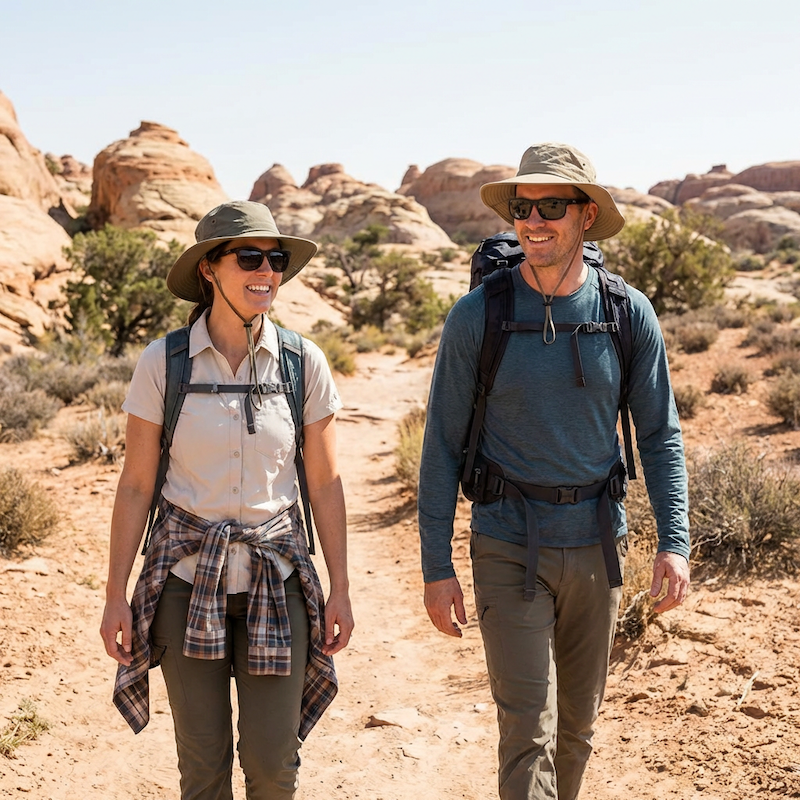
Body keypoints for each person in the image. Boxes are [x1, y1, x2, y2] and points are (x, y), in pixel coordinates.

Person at [418, 143, 690, 800]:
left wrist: (676, 541)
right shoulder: (477, 316)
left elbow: (659, 434)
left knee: (578, 729)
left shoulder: (627, 315)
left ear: (586, 215)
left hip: (600, 544)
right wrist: (435, 565)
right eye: (523, 207)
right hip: (509, 542)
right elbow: (441, 446)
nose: (534, 220)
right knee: (527, 728)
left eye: (551, 206)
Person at [100, 200, 353, 800]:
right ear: (210, 269)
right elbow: (136, 485)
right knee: (204, 770)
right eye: (250, 257)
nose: (266, 270)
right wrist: (114, 597)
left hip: (279, 581)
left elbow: (324, 484)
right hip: (186, 583)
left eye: (275, 259)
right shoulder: (163, 363)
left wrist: (340, 586)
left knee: (272, 766)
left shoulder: (302, 363)